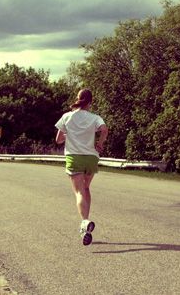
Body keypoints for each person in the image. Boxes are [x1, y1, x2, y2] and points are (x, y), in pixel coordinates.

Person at [55, 88, 108, 246]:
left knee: (78, 192)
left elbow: (58, 140)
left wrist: (69, 134)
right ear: (90, 102)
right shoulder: (95, 117)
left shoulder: (67, 116)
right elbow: (104, 130)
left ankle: (85, 222)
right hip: (91, 157)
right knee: (86, 189)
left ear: (78, 99)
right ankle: (85, 226)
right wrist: (100, 143)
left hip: (75, 157)